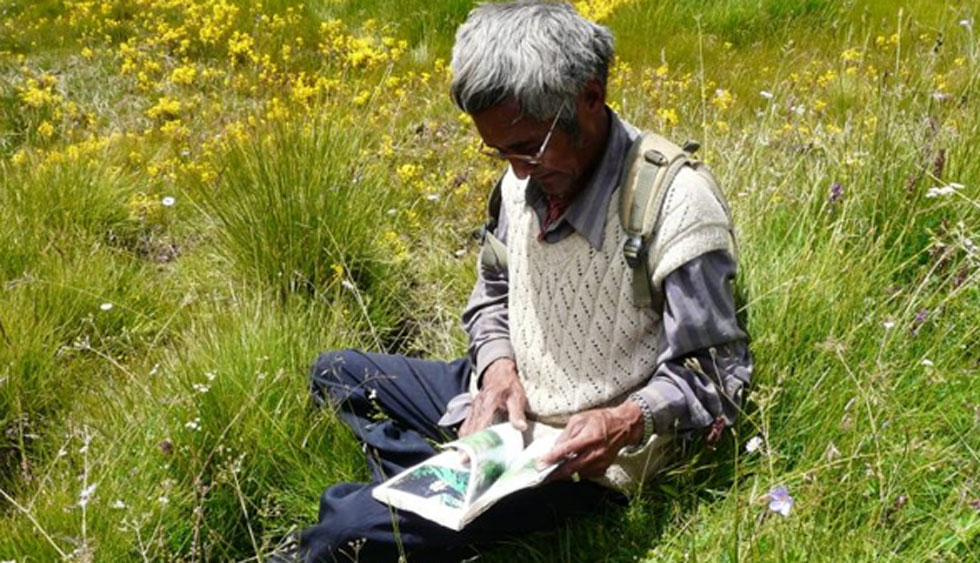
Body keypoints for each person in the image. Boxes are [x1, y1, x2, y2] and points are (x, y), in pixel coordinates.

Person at [290, 2, 752, 561]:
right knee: (335, 373)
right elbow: (491, 297)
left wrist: (625, 421)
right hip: (515, 402)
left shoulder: (673, 205)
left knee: (346, 535)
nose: (515, 169)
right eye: (498, 150)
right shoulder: (521, 179)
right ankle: (442, 486)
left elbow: (716, 374)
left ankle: (413, 497)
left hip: (581, 458)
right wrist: (498, 372)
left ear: (590, 97)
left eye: (528, 146)